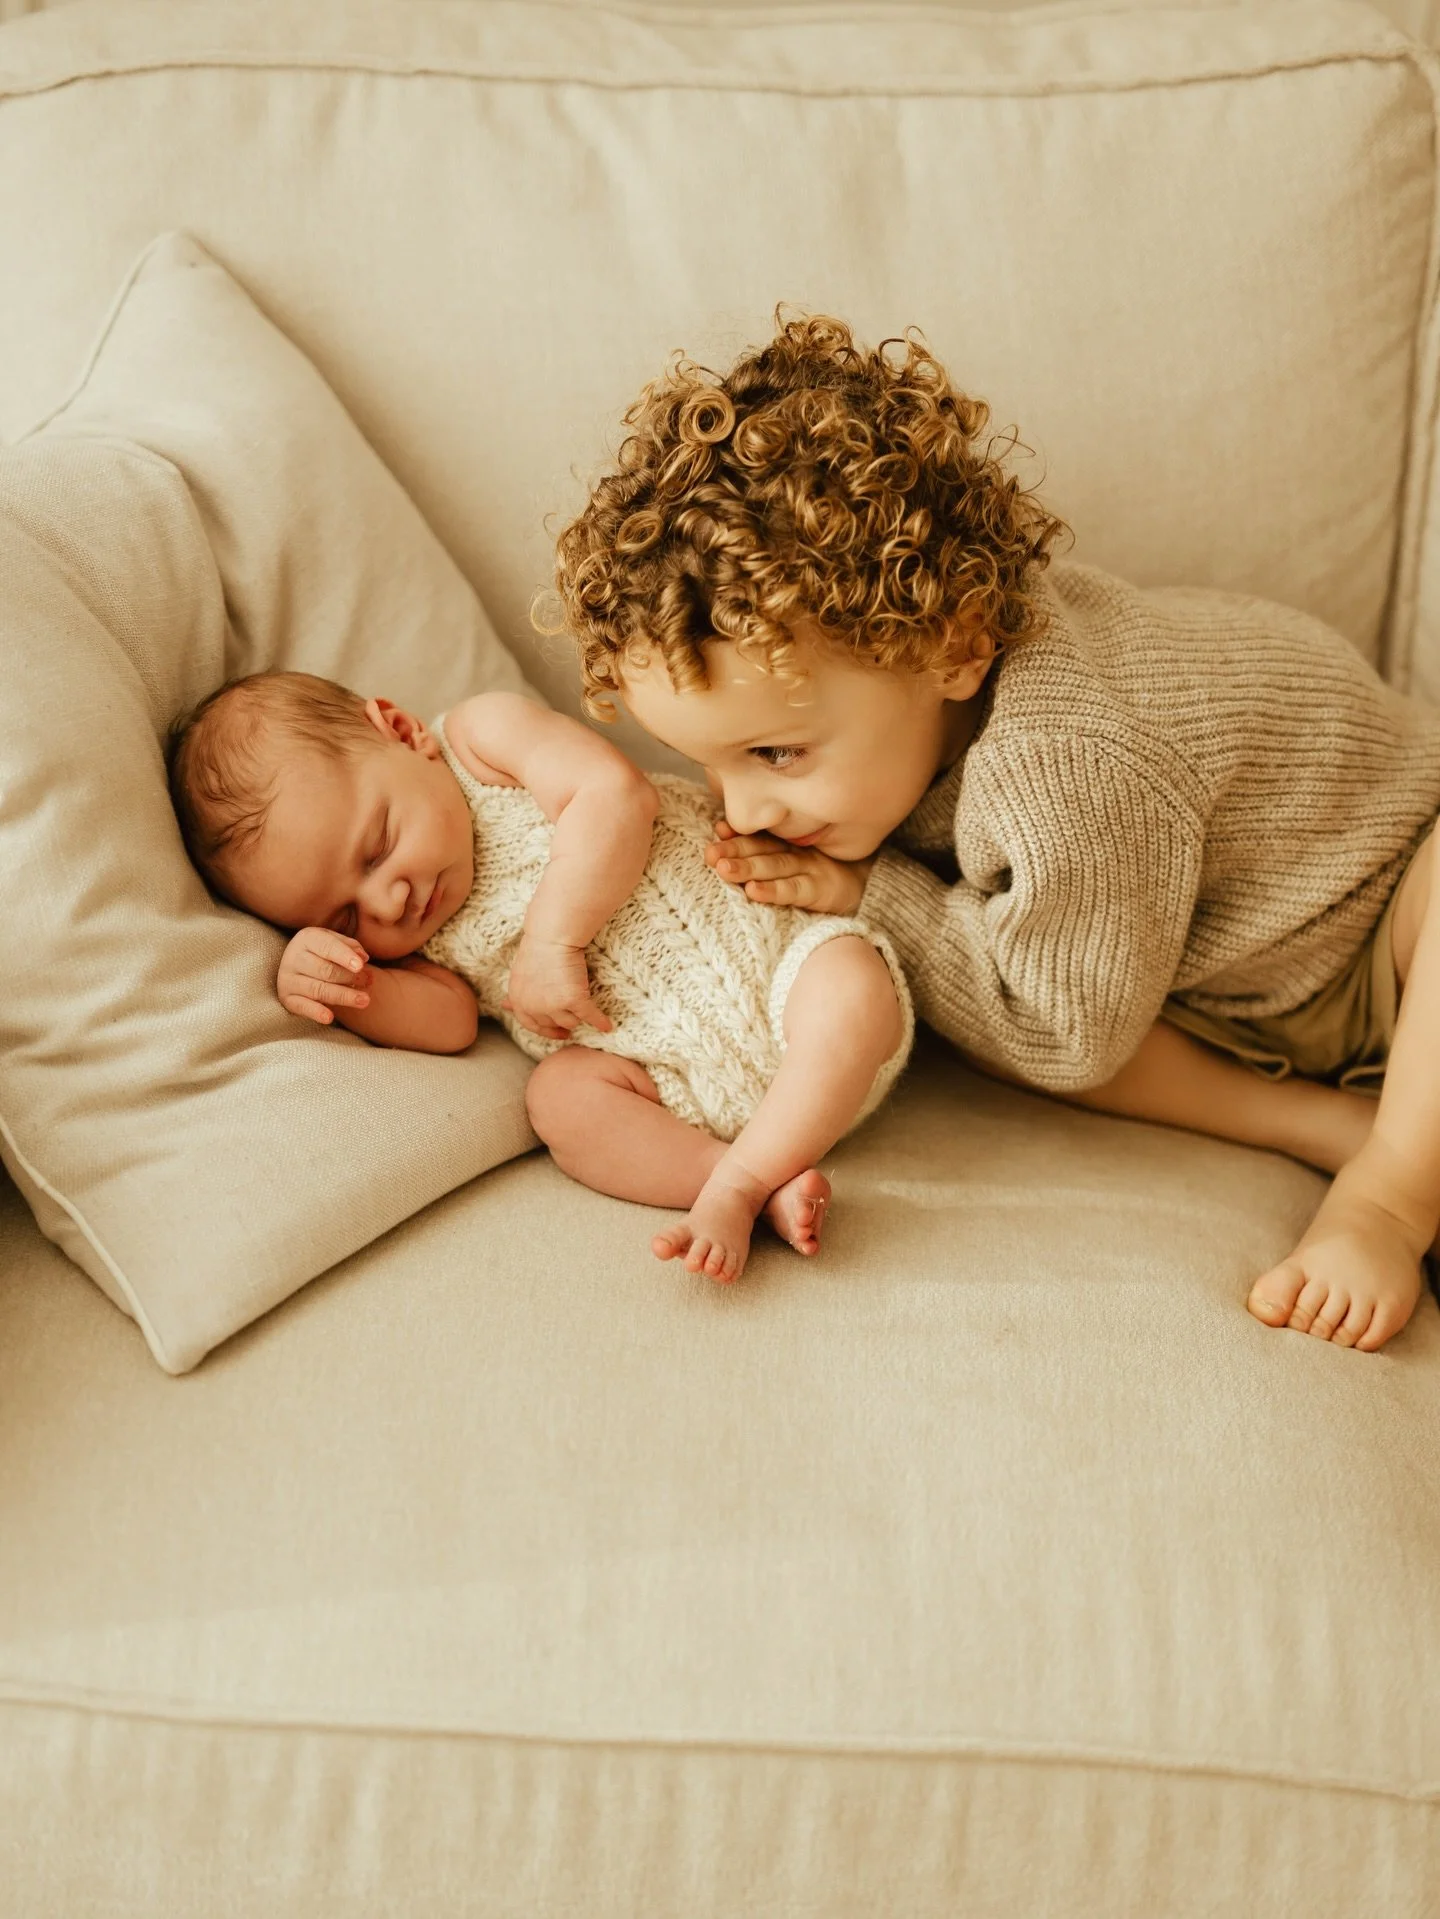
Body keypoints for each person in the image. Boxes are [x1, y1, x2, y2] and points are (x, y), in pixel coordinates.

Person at [550, 311, 1440, 1353]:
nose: (742, 810)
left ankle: (1389, 1190)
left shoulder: (1066, 763)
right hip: (1212, 976)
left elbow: (1065, 1036)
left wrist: (874, 895)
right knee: (1006, 998)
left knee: (1040, 1014)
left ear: (956, 650)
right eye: (710, 764)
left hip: (1385, 928)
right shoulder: (912, 707)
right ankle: (1329, 1124)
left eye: (777, 754)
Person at [166, 671, 912, 1284]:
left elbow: (615, 794)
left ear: (401, 731)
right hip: (672, 1087)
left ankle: (746, 1178)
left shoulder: (481, 740)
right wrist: (350, 987)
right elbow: (452, 1020)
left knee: (851, 982)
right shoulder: (414, 940)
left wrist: (556, 937)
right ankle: (743, 1179)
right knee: (556, 1100)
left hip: (786, 970)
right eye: (346, 917)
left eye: (378, 846)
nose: (387, 898)